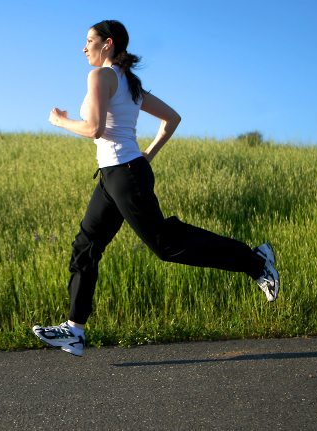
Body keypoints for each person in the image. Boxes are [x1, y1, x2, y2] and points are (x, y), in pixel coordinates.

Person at [32, 19, 280, 357]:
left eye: (89, 41)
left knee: (166, 244)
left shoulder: (101, 76)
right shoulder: (129, 83)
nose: (83, 47)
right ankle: (74, 330)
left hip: (124, 174)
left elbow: (94, 129)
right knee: (86, 245)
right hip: (114, 175)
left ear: (108, 44)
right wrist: (147, 154)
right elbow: (173, 118)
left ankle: (255, 261)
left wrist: (60, 121)